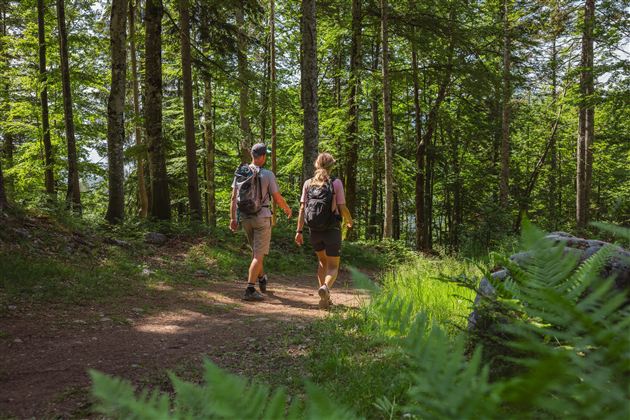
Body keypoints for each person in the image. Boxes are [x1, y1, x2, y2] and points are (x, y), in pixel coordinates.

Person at [230, 143, 292, 301]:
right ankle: (250, 289)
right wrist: (287, 209)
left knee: (256, 253)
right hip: (262, 217)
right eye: (266, 155)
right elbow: (277, 198)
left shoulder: (241, 172)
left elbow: (233, 197)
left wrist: (233, 218)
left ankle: (262, 277)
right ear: (262, 157)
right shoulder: (268, 174)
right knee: (258, 255)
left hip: (245, 218)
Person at [295, 152, 353, 309]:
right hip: (332, 229)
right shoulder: (336, 183)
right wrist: (349, 220)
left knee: (322, 261)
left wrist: (299, 231)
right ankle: (325, 288)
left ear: (316, 164)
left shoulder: (308, 183)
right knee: (333, 266)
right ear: (332, 166)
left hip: (314, 230)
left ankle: (324, 300)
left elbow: (302, 208)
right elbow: (341, 206)